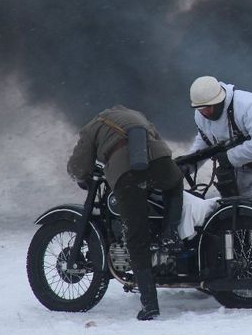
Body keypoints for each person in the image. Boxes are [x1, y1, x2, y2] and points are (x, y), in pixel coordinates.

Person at [67, 105, 183, 321]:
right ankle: (170, 232)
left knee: (136, 237)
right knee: (174, 184)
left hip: (126, 171)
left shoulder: (94, 125)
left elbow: (79, 164)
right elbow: (158, 139)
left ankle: (150, 305)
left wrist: (81, 176)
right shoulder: (137, 115)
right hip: (161, 161)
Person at [189, 76, 252, 197]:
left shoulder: (247, 105)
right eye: (200, 108)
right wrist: (188, 164)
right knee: (235, 208)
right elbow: (205, 141)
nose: (204, 112)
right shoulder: (200, 115)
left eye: (208, 107)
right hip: (239, 168)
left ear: (219, 100)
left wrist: (229, 157)